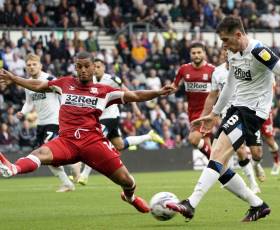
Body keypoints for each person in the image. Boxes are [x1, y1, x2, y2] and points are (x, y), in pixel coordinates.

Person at [167, 16, 280, 222]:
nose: (224, 45)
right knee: (219, 163)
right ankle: (258, 205)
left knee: (219, 154)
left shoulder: (259, 52)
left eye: (226, 40)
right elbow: (230, 85)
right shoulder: (232, 53)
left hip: (253, 112)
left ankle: (190, 203)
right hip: (235, 108)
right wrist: (214, 113)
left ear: (239, 35)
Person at [0, 51, 174, 213]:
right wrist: (15, 79)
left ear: (93, 67)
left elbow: (135, 95)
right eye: (79, 67)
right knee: (40, 152)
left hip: (93, 143)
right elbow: (38, 85)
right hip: (67, 141)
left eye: (86, 66)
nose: (83, 70)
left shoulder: (104, 91)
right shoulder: (65, 83)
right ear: (75, 68)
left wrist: (158, 92)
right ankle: (13, 168)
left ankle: (130, 197)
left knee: (127, 181)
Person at [75, 58, 165, 185]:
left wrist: (135, 107)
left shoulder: (112, 80)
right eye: (94, 66)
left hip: (111, 116)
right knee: (120, 145)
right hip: (98, 117)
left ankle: (84, 175)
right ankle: (148, 136)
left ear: (104, 67)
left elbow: (128, 92)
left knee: (94, 141)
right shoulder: (89, 81)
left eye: (98, 66)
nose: (96, 69)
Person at [201, 50, 261, 193]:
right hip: (229, 114)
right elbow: (212, 96)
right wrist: (206, 116)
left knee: (257, 153)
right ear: (223, 55)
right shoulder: (218, 72)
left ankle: (256, 165)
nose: (228, 54)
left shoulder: (247, 67)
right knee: (238, 149)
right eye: (226, 52)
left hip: (248, 111)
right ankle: (252, 183)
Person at [17, 53, 76, 192]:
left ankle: (70, 177)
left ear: (40, 65)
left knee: (46, 153)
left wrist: (67, 112)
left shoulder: (49, 79)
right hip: (41, 124)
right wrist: (23, 112)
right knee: (44, 158)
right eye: (29, 65)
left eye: (34, 64)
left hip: (54, 121)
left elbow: (64, 93)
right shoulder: (28, 84)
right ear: (26, 67)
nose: (31, 67)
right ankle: (71, 173)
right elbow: (28, 102)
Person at [172, 42, 215, 158]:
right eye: (194, 53)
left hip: (206, 113)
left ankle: (218, 163)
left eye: (199, 52)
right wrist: (165, 91)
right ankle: (217, 166)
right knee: (206, 145)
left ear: (204, 54)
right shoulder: (183, 69)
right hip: (192, 112)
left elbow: (219, 92)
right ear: (190, 54)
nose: (196, 55)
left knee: (193, 139)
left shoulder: (212, 70)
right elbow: (174, 86)